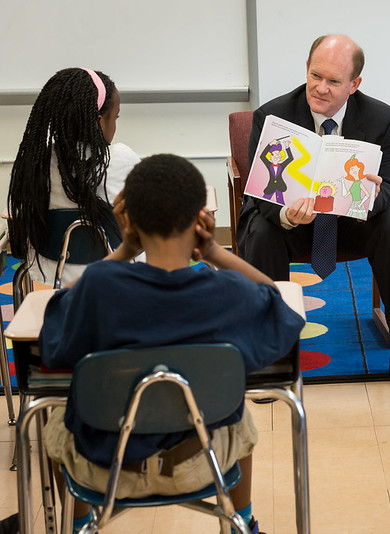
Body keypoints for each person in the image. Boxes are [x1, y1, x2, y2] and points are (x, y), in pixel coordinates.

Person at [40, 154, 305, 534]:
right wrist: (214, 251)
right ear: (202, 219)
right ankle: (241, 523)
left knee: (52, 416)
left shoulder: (99, 288)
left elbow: (55, 319)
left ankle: (81, 523)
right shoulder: (227, 293)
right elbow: (277, 305)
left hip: (103, 469)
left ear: (127, 219)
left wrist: (123, 250)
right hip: (200, 464)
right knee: (240, 416)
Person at [236, 34, 390, 390]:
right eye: (315, 76)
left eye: (333, 81)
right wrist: (286, 215)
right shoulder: (272, 116)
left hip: (352, 221)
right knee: (262, 230)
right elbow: (262, 195)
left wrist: (369, 199)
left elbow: (389, 186)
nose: (320, 88)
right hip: (289, 222)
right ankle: (273, 352)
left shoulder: (380, 118)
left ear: (354, 85)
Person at [8, 67, 140, 286]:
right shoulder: (122, 159)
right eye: (114, 117)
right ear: (99, 121)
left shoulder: (37, 162)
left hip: (53, 275)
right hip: (118, 273)